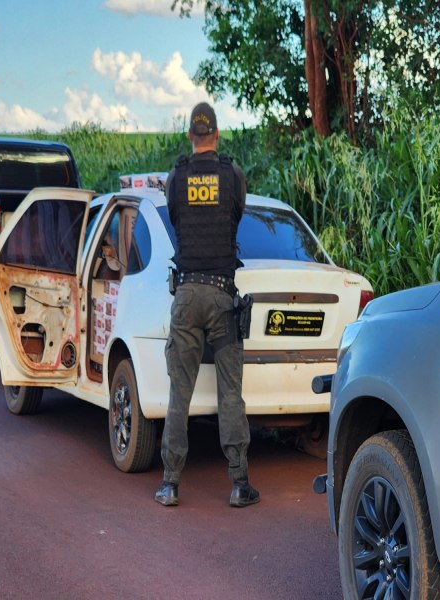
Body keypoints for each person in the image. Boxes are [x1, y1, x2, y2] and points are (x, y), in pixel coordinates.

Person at [155, 102, 259, 508]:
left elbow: (176, 220)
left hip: (185, 296)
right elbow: (235, 217)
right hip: (221, 295)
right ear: (217, 134)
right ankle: (239, 484)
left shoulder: (176, 178)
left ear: (190, 136)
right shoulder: (232, 175)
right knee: (230, 393)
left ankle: (170, 484)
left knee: (179, 391)